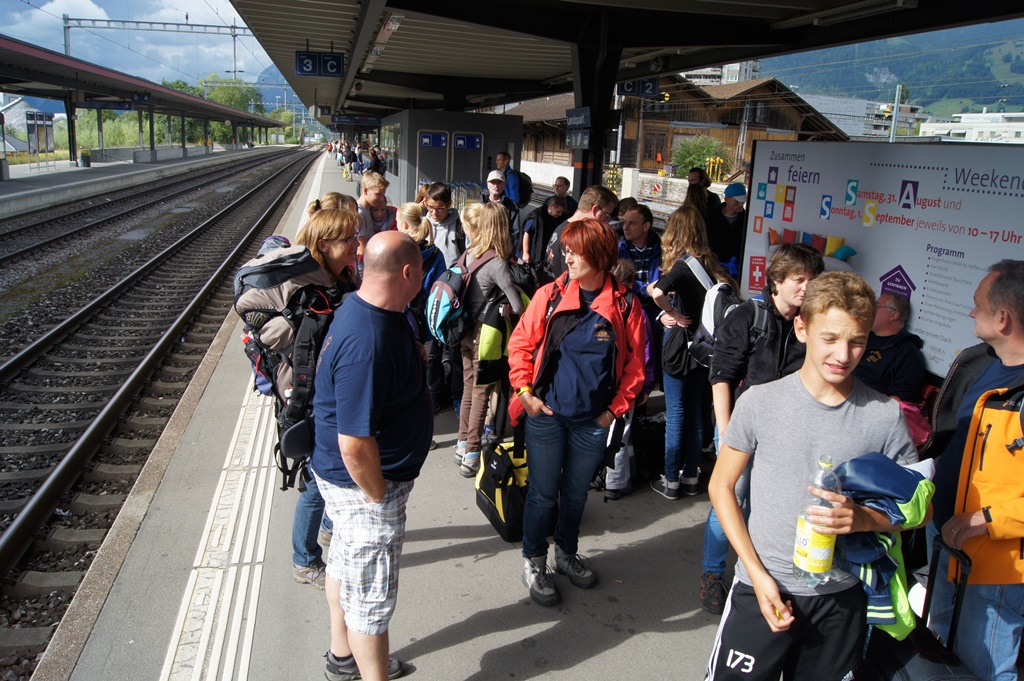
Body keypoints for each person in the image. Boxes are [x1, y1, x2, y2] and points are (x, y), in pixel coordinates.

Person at [705, 271, 920, 681]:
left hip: (841, 598)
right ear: (802, 328)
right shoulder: (760, 402)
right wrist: (756, 575)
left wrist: (865, 519)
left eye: (857, 341)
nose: (843, 354)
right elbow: (721, 486)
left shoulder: (884, 415)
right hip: (762, 587)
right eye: (830, 338)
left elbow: (917, 509)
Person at [312, 231, 431, 681]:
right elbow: (355, 444)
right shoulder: (368, 343)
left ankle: (342, 656)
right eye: (422, 269)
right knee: (371, 602)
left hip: (346, 484)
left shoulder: (370, 308)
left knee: (345, 564)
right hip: (363, 488)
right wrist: (378, 496)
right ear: (408, 272)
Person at [508, 219, 646, 606]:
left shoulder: (625, 304)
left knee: (575, 495)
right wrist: (525, 393)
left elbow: (636, 368)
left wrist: (613, 412)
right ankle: (535, 560)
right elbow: (520, 344)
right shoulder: (550, 295)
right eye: (566, 251)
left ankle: (566, 553)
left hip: (593, 421)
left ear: (599, 256)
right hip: (547, 417)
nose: (566, 258)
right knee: (542, 495)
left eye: (575, 252)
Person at [699, 243, 824, 613]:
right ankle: (712, 573)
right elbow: (721, 376)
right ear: (777, 281)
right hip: (742, 427)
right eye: (799, 279)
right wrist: (726, 434)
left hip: (787, 432)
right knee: (731, 498)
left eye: (812, 280)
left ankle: (758, 573)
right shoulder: (748, 316)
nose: (806, 287)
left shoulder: (811, 323)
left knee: (768, 505)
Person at [926, 259, 1024, 681]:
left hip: (996, 563)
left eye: (977, 305)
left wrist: (984, 520)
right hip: (947, 539)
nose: (970, 313)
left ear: (1002, 318)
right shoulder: (978, 363)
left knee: (984, 667)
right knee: (940, 654)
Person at [289, 209, 361, 589]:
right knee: (318, 481)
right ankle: (304, 560)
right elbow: (307, 358)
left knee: (334, 474)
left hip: (336, 396)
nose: (355, 244)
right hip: (319, 402)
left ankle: (331, 529)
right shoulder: (313, 294)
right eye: (347, 239)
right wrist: (304, 410)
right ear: (323, 245)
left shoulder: (341, 278)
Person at [648, 205, 726, 499]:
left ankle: (671, 480)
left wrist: (671, 313)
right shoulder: (711, 267)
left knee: (676, 413)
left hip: (680, 349)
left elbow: (657, 292)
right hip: (704, 350)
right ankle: (692, 476)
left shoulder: (682, 266)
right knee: (695, 412)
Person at [454, 202, 524, 477]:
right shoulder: (497, 263)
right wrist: (507, 306)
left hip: (464, 331)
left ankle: (462, 443)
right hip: (484, 335)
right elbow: (518, 306)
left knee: (468, 387)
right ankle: (472, 453)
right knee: (481, 391)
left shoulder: (469, 254)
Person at [602, 258, 655, 501]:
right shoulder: (637, 311)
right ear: (632, 283)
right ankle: (615, 482)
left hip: (601, 379)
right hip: (626, 382)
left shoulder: (601, 305)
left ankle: (600, 475)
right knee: (619, 431)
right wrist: (647, 385)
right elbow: (645, 353)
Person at [395, 203, 448, 412]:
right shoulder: (435, 253)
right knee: (431, 360)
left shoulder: (398, 252)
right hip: (428, 321)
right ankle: (432, 400)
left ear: (405, 225)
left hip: (402, 319)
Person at [852, 292, 926, 402]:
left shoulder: (907, 352)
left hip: (861, 403)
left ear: (893, 315)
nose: (870, 310)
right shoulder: (862, 336)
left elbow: (901, 398)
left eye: (876, 306)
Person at [543, 185, 619, 279]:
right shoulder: (575, 238)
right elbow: (573, 281)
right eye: (607, 214)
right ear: (595, 210)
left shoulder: (561, 229)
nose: (607, 220)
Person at [705, 182, 747, 281]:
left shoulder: (746, 219)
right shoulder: (711, 218)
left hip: (737, 270)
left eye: (743, 202)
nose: (740, 205)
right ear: (726, 199)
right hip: (713, 267)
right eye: (737, 202)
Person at [424, 182, 466, 268]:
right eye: (430, 207)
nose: (434, 213)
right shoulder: (423, 224)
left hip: (451, 275)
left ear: (449, 204)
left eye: (439, 208)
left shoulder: (460, 227)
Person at [482, 169, 521, 255]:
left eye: (499, 182)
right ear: (487, 184)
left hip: (502, 253)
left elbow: (515, 233)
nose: (496, 186)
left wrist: (508, 253)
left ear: (504, 185)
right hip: (482, 251)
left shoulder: (511, 206)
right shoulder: (481, 204)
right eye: (493, 182)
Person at [521, 195, 565, 266]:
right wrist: (525, 253)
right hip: (534, 253)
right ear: (551, 206)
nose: (560, 214)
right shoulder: (537, 217)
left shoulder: (557, 218)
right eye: (558, 212)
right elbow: (527, 233)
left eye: (561, 212)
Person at [356, 172, 390, 257]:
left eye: (383, 194)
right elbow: (362, 249)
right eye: (378, 194)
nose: (382, 199)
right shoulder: (359, 214)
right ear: (365, 191)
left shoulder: (369, 209)